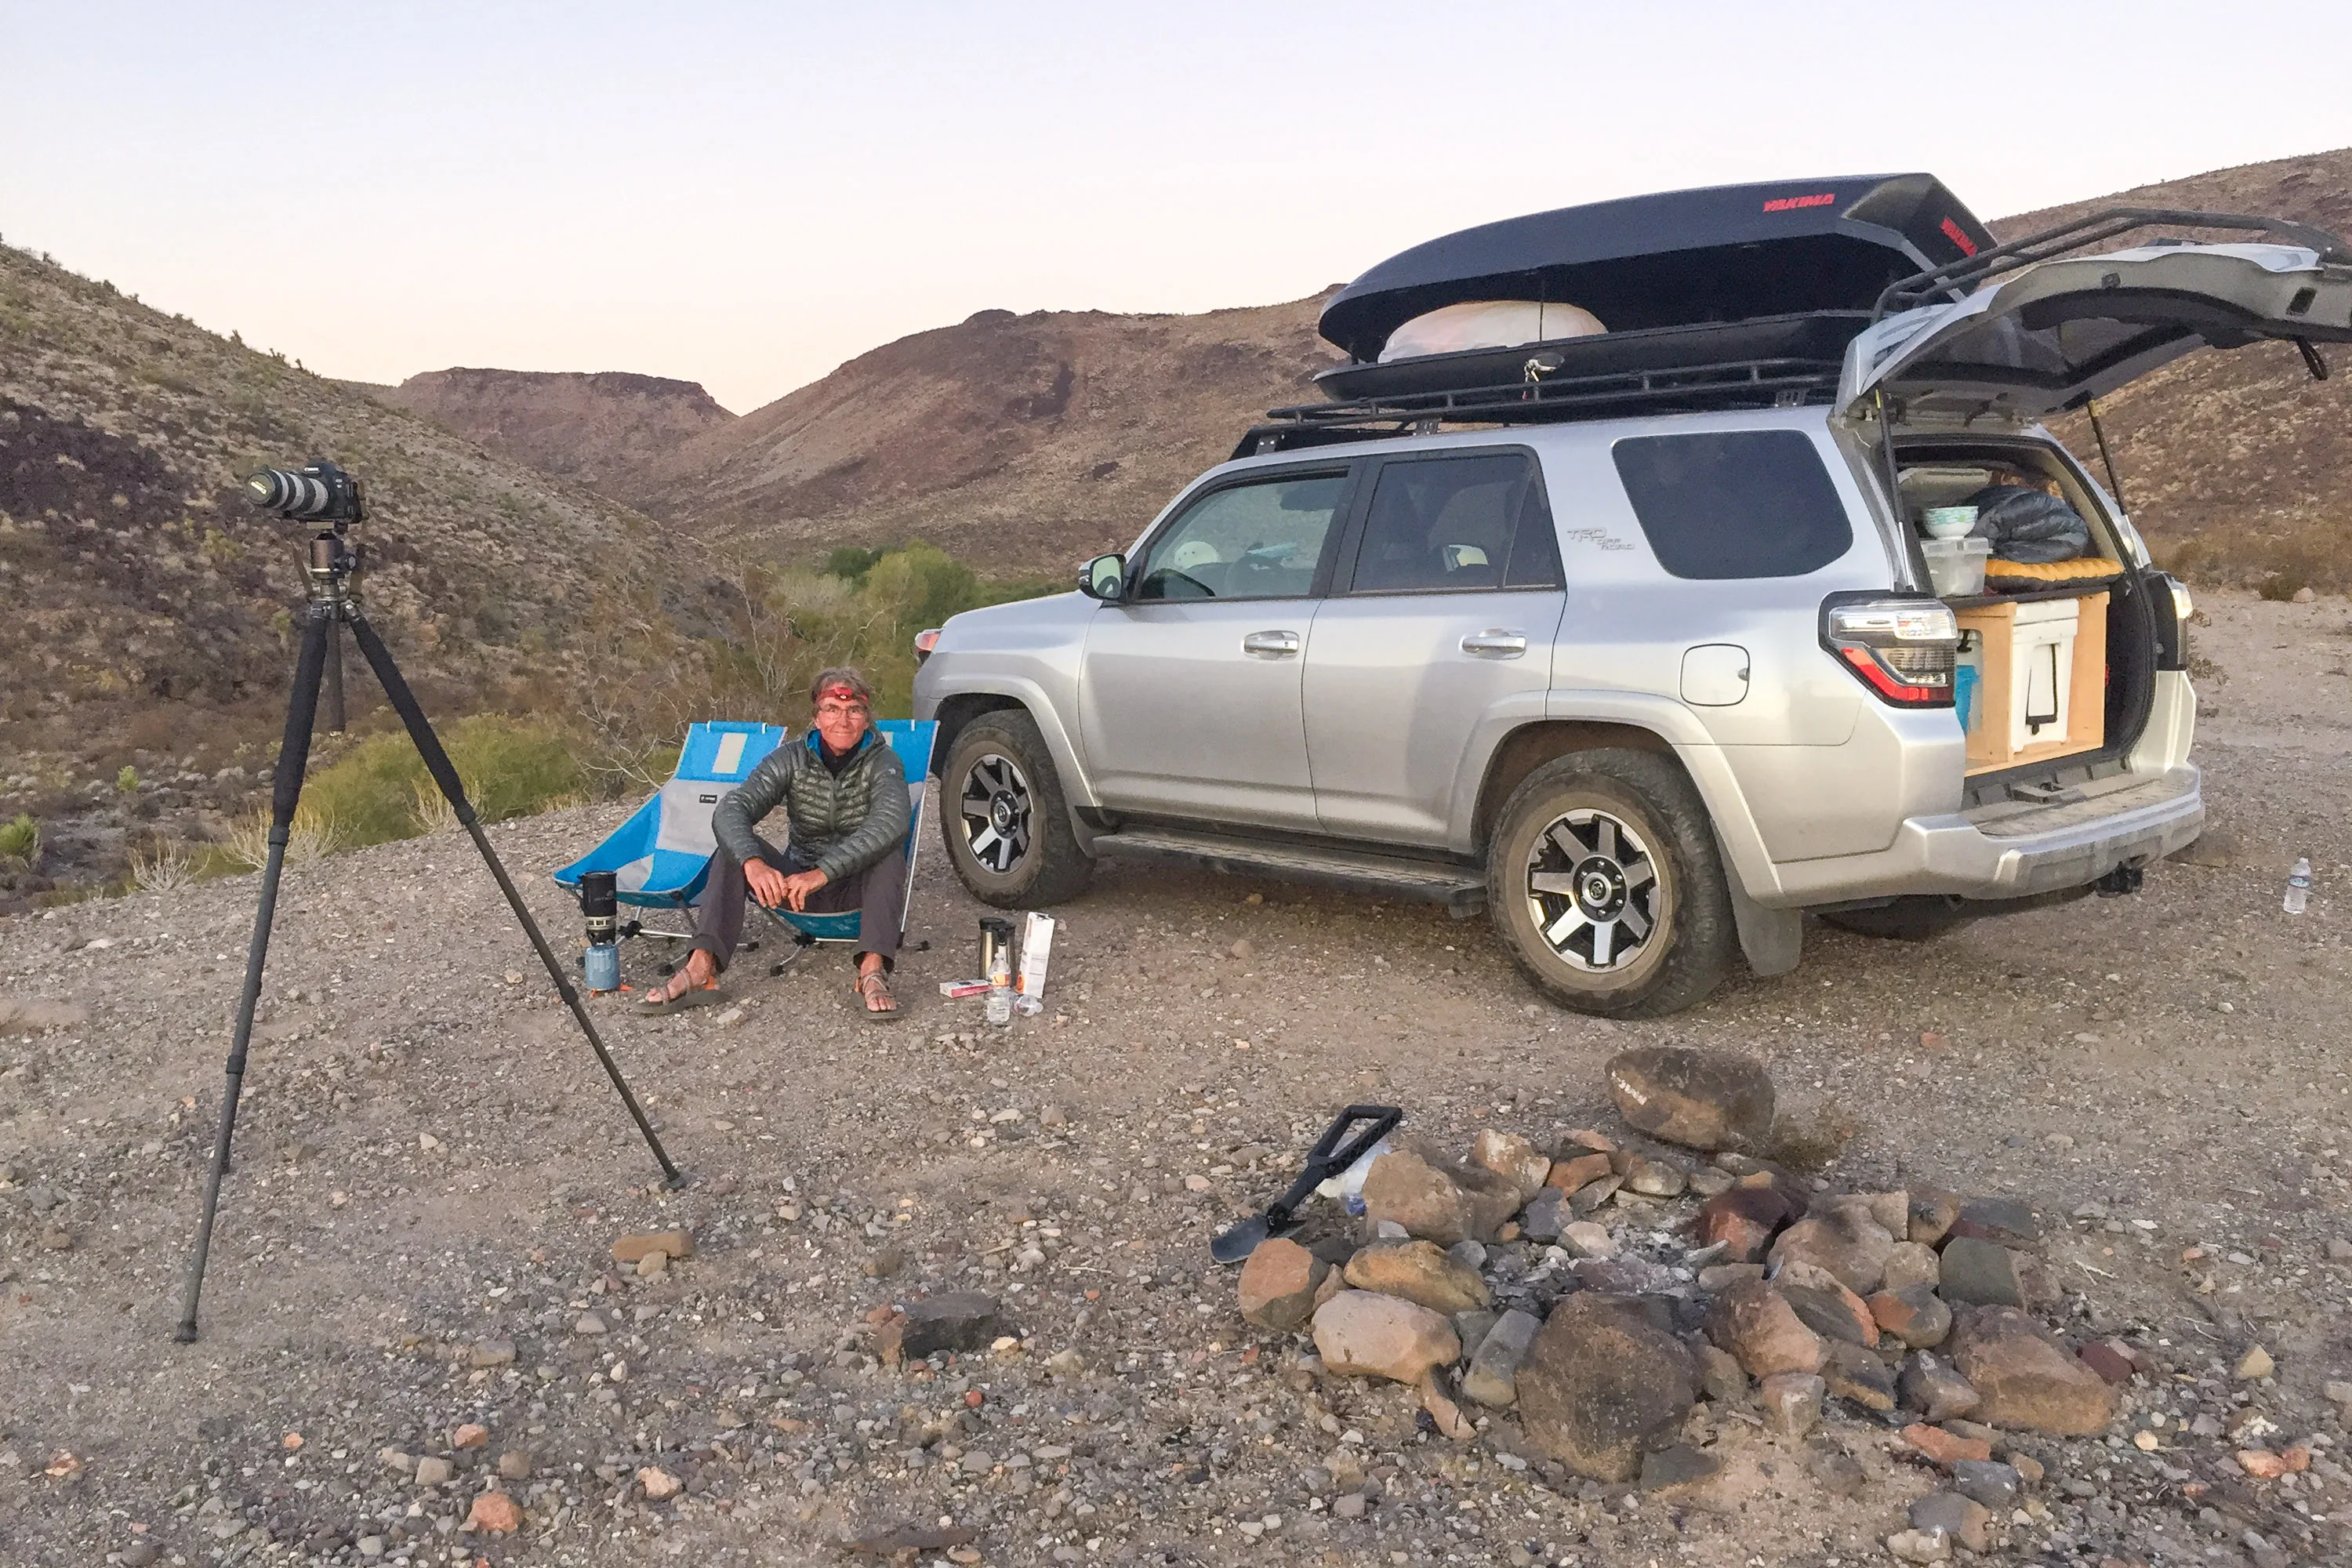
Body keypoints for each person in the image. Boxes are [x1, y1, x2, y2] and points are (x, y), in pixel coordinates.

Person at [637, 667, 909, 1017]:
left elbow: (891, 822)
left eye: (853, 710)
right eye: (832, 709)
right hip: (795, 888)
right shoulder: (791, 759)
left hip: (856, 887)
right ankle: (702, 967)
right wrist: (754, 861)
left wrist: (823, 872)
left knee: (889, 852)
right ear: (816, 717)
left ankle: (871, 972)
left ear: (867, 718)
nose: (843, 720)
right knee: (733, 849)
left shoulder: (884, 762)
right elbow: (733, 808)